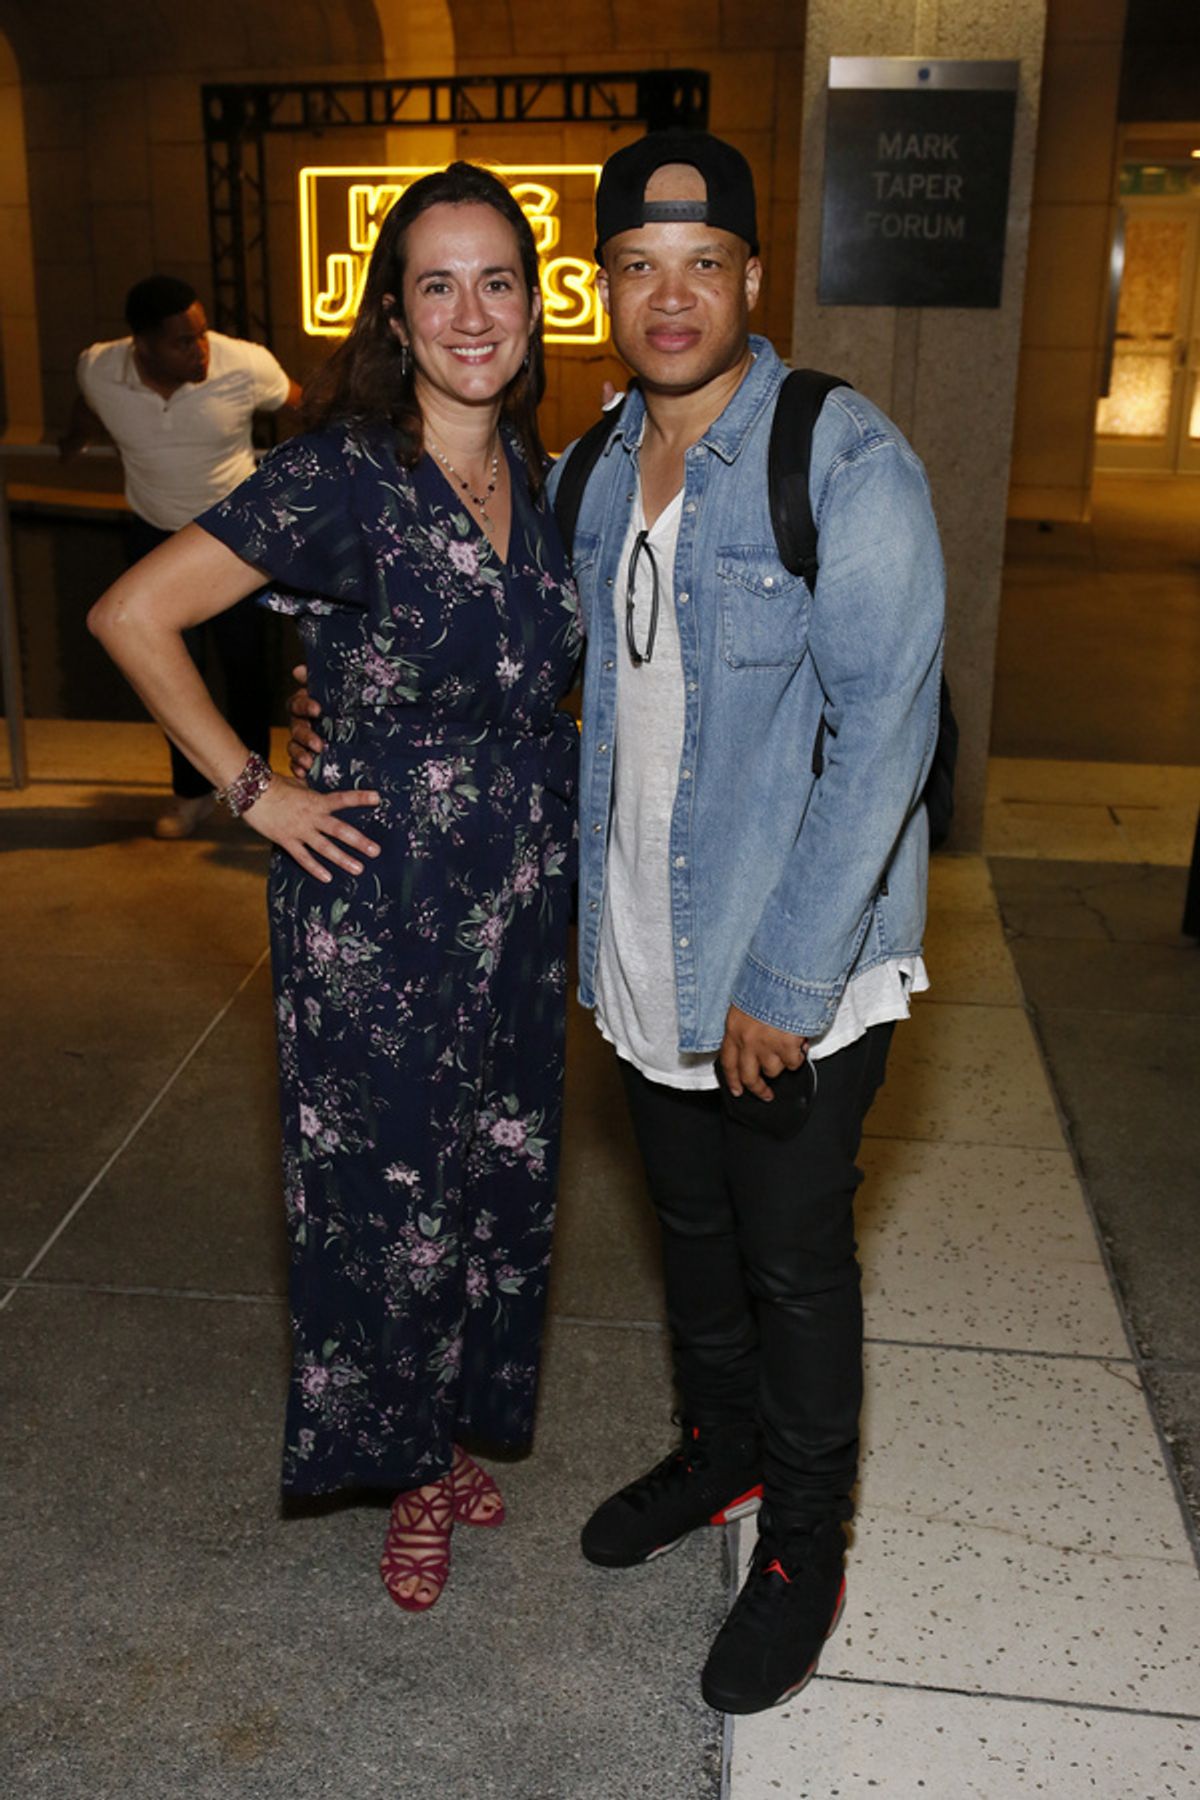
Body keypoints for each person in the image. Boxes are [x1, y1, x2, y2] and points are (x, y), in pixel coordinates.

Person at [290, 131, 944, 1710]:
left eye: (702, 263)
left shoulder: (838, 455)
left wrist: (786, 975)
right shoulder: (585, 468)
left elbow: (890, 731)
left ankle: (803, 1541)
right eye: (639, 266)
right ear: (605, 287)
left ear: (752, 280)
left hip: (795, 969)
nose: (670, 296)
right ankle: (716, 1455)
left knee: (793, 1268)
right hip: (645, 953)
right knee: (695, 1245)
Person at [88, 164, 582, 1613]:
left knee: (496, 1178)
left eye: (497, 278)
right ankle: (406, 1470)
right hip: (379, 898)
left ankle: (444, 1427)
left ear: (532, 304)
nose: (471, 311)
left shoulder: (547, 476)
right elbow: (134, 612)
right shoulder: (344, 472)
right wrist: (255, 787)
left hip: (520, 896)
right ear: (395, 312)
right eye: (438, 282)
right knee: (388, 1194)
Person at [63, 277, 302, 837]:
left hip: (236, 547)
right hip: (155, 538)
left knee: (248, 671)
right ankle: (191, 794)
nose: (201, 350)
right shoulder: (100, 368)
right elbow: (86, 400)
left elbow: (304, 407)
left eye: (201, 334)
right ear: (141, 345)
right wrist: (74, 438)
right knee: (170, 674)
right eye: (182, 342)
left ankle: (254, 792)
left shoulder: (245, 364)